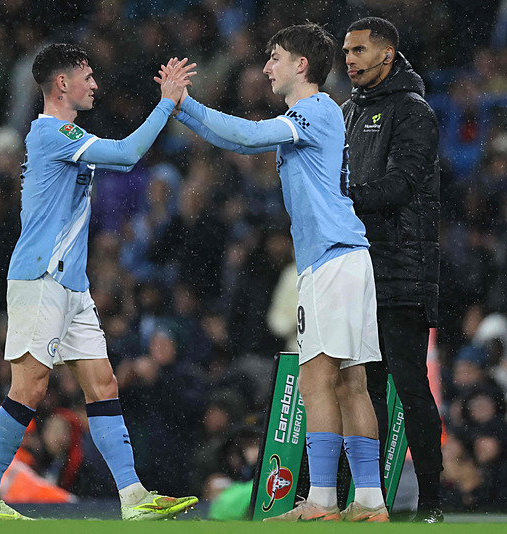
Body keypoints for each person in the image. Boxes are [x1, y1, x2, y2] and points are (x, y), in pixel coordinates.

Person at [161, 23, 387, 522]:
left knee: (316, 381)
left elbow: (246, 137)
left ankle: (323, 501)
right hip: (345, 258)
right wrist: (183, 110)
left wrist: (187, 106)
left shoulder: (315, 109)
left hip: (331, 262)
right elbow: (244, 141)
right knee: (350, 384)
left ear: (301, 65)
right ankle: (369, 501)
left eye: (275, 58)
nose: (267, 67)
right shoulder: (317, 115)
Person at [0, 43, 198, 521]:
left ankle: (132, 497)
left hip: (71, 286)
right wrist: (166, 103)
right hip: (40, 278)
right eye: (86, 75)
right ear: (61, 84)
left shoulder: (67, 136)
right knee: (28, 388)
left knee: (103, 383)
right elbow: (129, 154)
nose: (94, 84)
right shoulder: (52, 133)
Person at [340, 17, 443, 523]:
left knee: (410, 388)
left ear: (387, 54)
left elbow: (401, 185)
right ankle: (368, 500)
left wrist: (339, 203)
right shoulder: (347, 112)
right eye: (346, 51)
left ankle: (433, 502)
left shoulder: (414, 111)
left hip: (403, 270)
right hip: (358, 270)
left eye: (359, 50)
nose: (349, 59)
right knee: (364, 389)